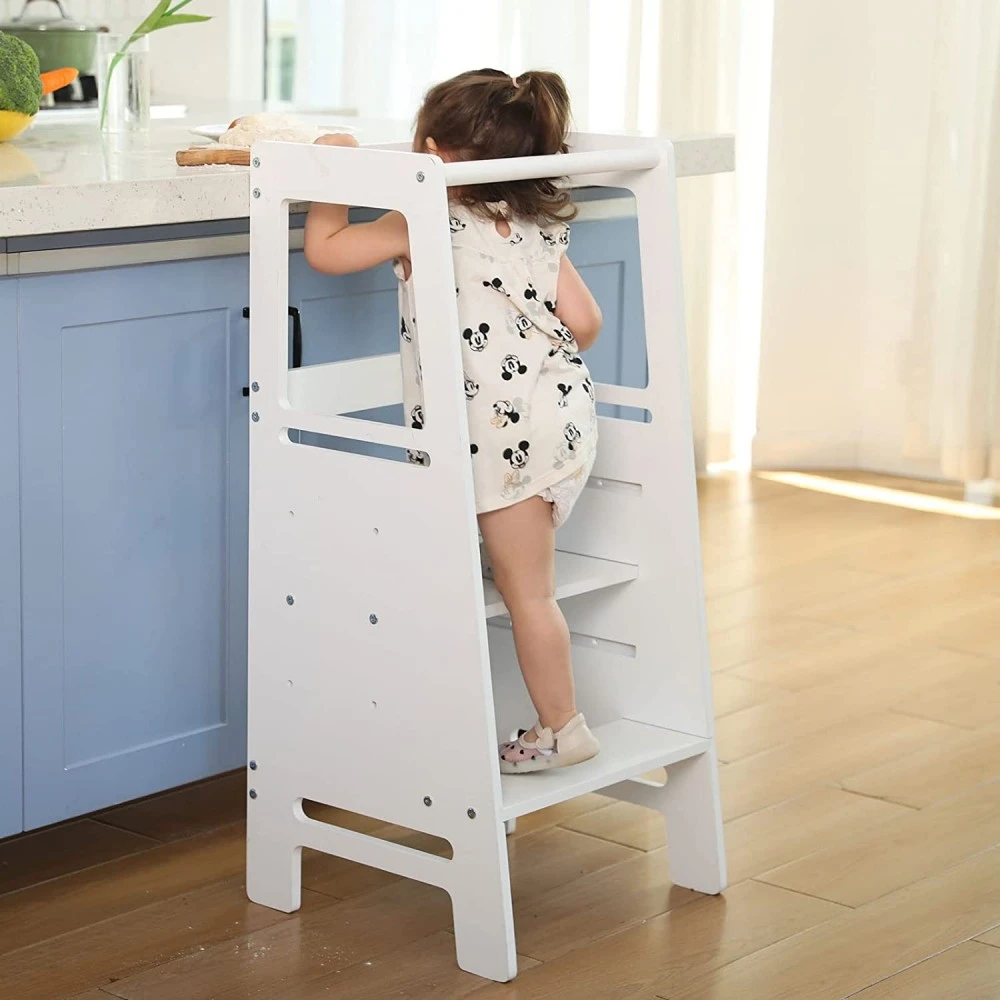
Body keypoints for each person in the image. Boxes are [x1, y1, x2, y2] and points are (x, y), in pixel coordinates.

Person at [303, 68, 603, 773]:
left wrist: (329, 171)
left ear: (432, 153)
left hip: (499, 439)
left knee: (529, 596)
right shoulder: (534, 222)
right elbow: (584, 322)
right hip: (561, 415)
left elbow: (326, 251)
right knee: (516, 577)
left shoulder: (421, 218)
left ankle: (562, 728)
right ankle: (504, 719)